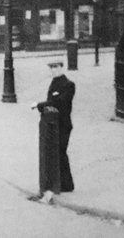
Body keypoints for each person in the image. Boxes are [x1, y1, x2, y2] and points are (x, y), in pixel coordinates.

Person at [36, 60, 76, 192]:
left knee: (61, 151)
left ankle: (67, 184)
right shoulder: (53, 83)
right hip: (53, 123)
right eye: (51, 67)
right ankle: (58, 183)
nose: (53, 70)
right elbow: (52, 101)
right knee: (56, 152)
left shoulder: (69, 85)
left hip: (64, 123)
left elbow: (59, 102)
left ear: (62, 68)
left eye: (56, 67)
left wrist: (41, 104)